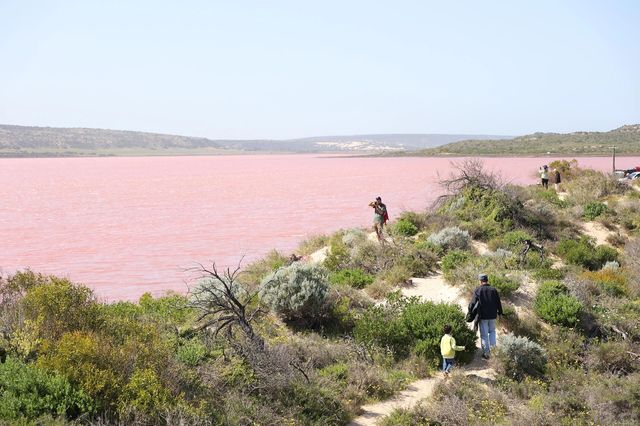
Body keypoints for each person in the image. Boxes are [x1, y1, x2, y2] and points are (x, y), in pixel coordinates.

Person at [470, 273, 503, 359]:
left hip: (483, 316)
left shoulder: (478, 290)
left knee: (484, 335)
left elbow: (472, 303)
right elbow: (498, 302)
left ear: (480, 281)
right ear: (487, 280)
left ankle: (486, 353)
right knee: (492, 332)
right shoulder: (493, 290)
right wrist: (500, 313)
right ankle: (494, 351)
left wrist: (470, 312)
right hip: (493, 315)